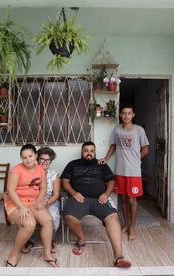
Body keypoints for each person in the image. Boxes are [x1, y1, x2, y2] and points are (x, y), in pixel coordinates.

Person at [61, 141, 132, 268]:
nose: (89, 153)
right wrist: (73, 193)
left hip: (99, 199)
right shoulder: (73, 164)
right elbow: (65, 181)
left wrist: (106, 194)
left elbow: (111, 181)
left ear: (95, 152)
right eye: (86, 150)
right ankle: (81, 239)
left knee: (113, 217)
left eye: (92, 151)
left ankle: (118, 257)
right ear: (82, 152)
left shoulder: (102, 164)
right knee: (69, 216)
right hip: (79, 198)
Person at [99, 105, 149, 241]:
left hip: (133, 171)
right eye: (124, 113)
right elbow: (113, 146)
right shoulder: (117, 130)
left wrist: (135, 158)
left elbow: (145, 150)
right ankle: (126, 224)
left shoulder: (139, 130)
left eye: (129, 113)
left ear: (133, 115)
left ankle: (133, 226)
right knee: (122, 199)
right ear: (120, 115)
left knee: (132, 199)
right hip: (120, 170)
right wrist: (106, 158)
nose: (126, 116)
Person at [4, 144, 58, 267]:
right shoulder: (16, 170)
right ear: (21, 158)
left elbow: (43, 187)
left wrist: (39, 201)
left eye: (30, 156)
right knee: (30, 224)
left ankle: (47, 254)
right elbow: (11, 191)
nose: (28, 160)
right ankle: (13, 255)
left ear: (36, 156)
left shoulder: (40, 169)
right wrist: (22, 207)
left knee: (48, 220)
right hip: (16, 203)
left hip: (33, 201)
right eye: (24, 157)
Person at [21, 147, 60, 254]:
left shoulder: (54, 175)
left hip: (49, 201)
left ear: (51, 161)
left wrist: (45, 203)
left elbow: (56, 194)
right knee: (26, 216)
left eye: (48, 160)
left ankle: (51, 239)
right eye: (42, 159)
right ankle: (30, 239)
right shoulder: (29, 171)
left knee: (54, 217)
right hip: (31, 201)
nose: (45, 162)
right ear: (37, 159)